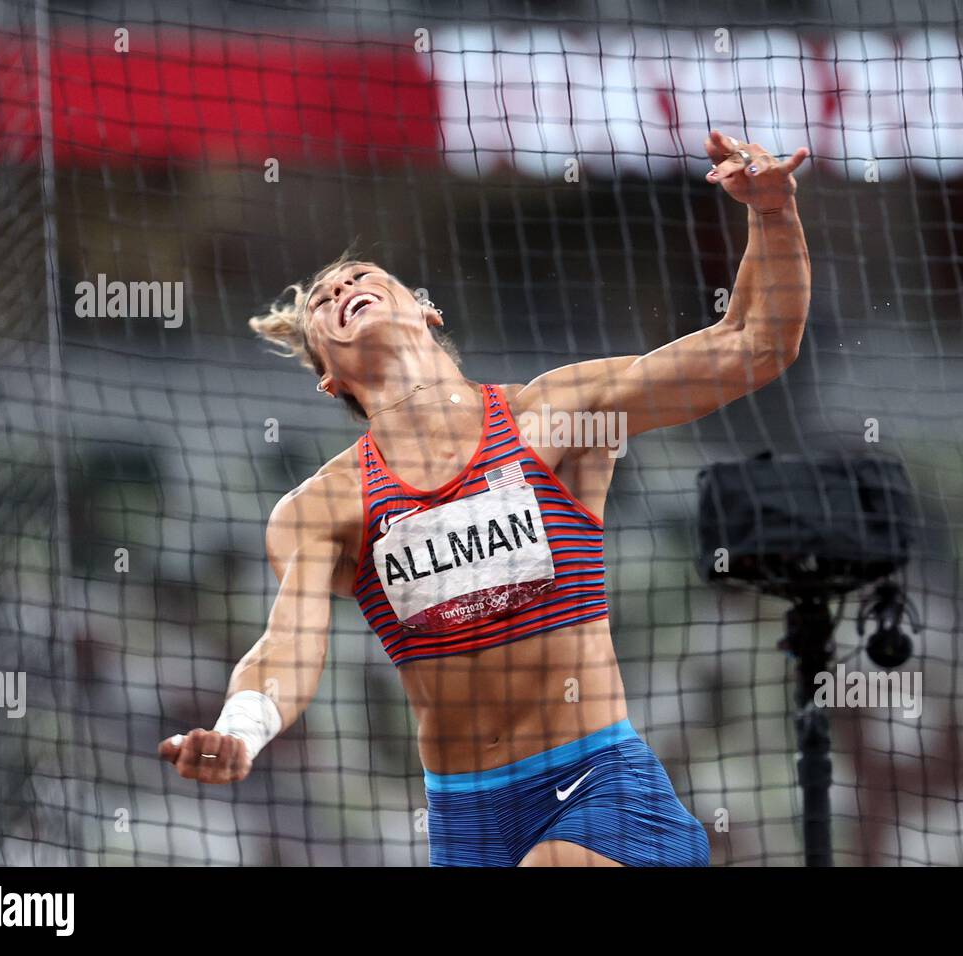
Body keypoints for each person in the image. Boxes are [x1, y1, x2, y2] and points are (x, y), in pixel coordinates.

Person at [160, 130, 812, 866]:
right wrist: (240, 729)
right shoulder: (324, 507)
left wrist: (772, 212)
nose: (340, 290)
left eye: (357, 276)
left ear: (426, 311)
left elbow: (756, 343)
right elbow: (289, 644)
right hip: (467, 821)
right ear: (329, 379)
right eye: (322, 301)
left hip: (598, 784)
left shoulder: (554, 417)